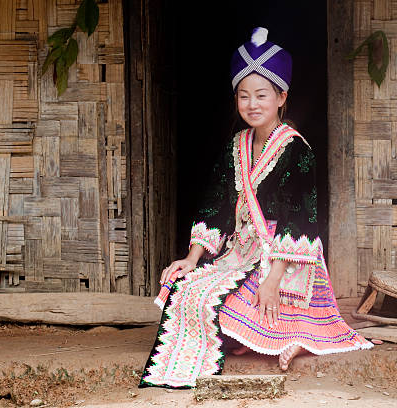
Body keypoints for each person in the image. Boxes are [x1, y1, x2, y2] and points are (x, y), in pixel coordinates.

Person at [139, 27, 372, 389]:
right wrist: (192, 256)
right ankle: (263, 337)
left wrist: (274, 279)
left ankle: (294, 338)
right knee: (185, 288)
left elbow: (302, 219)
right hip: (242, 250)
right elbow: (215, 202)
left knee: (240, 307)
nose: (252, 104)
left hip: (287, 256)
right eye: (244, 96)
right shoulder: (235, 146)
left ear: (281, 97)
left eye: (262, 95)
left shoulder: (298, 152)